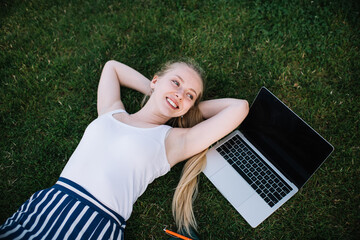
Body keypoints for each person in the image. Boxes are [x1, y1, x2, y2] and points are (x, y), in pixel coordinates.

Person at [0, 59, 249, 239]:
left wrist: (187, 109)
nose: (180, 94)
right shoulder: (111, 111)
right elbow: (112, 67)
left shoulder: (172, 141)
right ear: (155, 80)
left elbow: (240, 107)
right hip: (48, 204)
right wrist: (160, 93)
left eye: (190, 95)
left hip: (92, 223)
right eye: (176, 82)